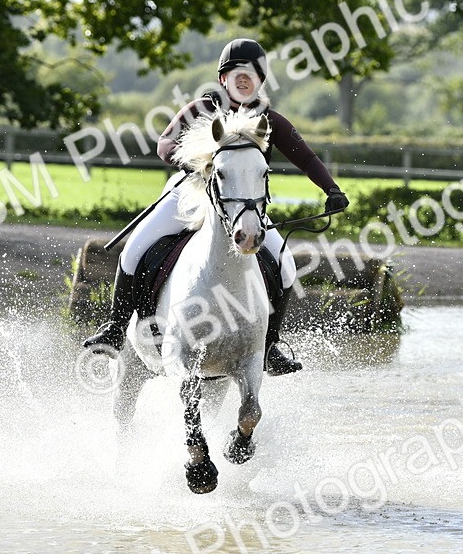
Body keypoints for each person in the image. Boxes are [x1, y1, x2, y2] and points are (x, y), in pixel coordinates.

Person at [82, 38, 349, 376]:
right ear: (223, 78)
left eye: (251, 74)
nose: (243, 79)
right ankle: (115, 328)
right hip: (187, 196)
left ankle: (270, 346)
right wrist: (190, 162)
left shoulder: (270, 120)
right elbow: (164, 143)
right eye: (236, 73)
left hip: (241, 206)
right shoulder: (201, 109)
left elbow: (307, 158)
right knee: (133, 250)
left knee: (285, 266)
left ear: (261, 80)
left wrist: (331, 188)